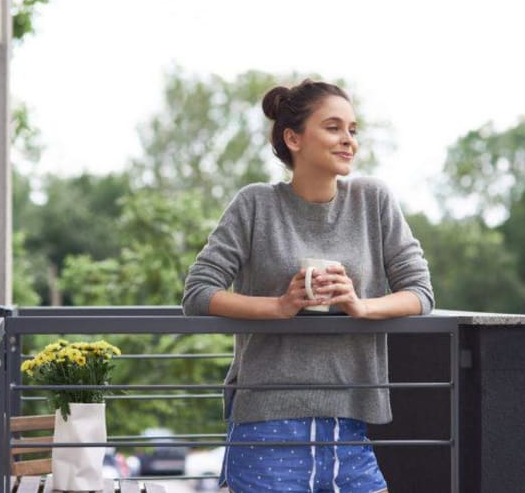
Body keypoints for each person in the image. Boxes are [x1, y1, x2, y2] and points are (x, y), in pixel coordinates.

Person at [182, 78, 434, 492]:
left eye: (353, 130)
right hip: (265, 425)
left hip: (350, 425)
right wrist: (279, 306)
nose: (348, 140)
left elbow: (420, 294)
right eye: (333, 128)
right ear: (293, 138)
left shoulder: (374, 200)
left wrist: (361, 305)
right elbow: (198, 293)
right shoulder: (255, 204)